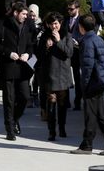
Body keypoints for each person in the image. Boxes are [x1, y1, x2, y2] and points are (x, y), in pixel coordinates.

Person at [70, 14, 104, 156]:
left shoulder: (87, 42)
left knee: (91, 115)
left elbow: (87, 66)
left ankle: (90, 145)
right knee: (98, 115)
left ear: (81, 27)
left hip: (93, 83)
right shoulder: (98, 39)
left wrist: (84, 86)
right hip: (102, 81)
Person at [0, 1, 35, 140]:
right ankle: (9, 129)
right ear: (15, 13)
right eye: (24, 14)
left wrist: (28, 53)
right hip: (7, 67)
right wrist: (8, 53)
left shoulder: (27, 26)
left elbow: (31, 45)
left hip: (23, 67)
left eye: (27, 14)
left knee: (25, 97)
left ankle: (14, 120)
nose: (26, 17)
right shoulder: (1, 24)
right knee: (9, 100)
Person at [36, 12, 73, 141]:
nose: (54, 26)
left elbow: (69, 53)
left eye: (56, 23)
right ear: (47, 24)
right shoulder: (44, 36)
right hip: (49, 74)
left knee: (62, 105)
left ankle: (62, 127)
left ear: (60, 23)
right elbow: (39, 55)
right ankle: (51, 131)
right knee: (51, 104)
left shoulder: (67, 35)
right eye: (51, 24)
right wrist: (46, 47)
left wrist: (58, 42)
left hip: (62, 74)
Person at [66, 0, 84, 111]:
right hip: (67, 52)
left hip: (77, 52)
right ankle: (66, 101)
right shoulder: (66, 19)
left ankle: (78, 102)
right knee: (66, 78)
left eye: (71, 9)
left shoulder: (82, 20)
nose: (69, 11)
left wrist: (78, 42)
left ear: (77, 9)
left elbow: (85, 33)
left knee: (77, 78)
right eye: (68, 9)